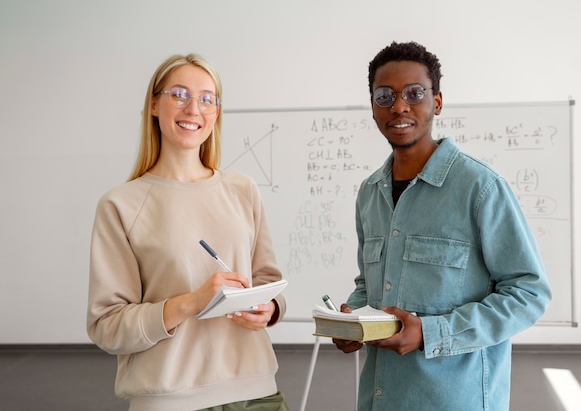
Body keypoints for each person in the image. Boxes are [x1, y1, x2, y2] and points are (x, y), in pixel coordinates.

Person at [332, 41, 552, 410]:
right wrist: (352, 321)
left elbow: (529, 294)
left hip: (454, 398)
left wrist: (432, 332)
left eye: (414, 93)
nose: (399, 106)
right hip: (380, 397)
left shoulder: (480, 188)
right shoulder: (369, 193)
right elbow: (368, 285)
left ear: (436, 102)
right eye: (384, 95)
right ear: (372, 106)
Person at [87, 53, 290, 411]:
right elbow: (108, 326)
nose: (193, 108)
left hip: (258, 393)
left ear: (216, 112)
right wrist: (192, 302)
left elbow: (268, 281)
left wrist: (269, 308)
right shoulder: (121, 204)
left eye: (207, 98)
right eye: (179, 94)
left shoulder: (243, 190)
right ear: (154, 104)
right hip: (169, 400)